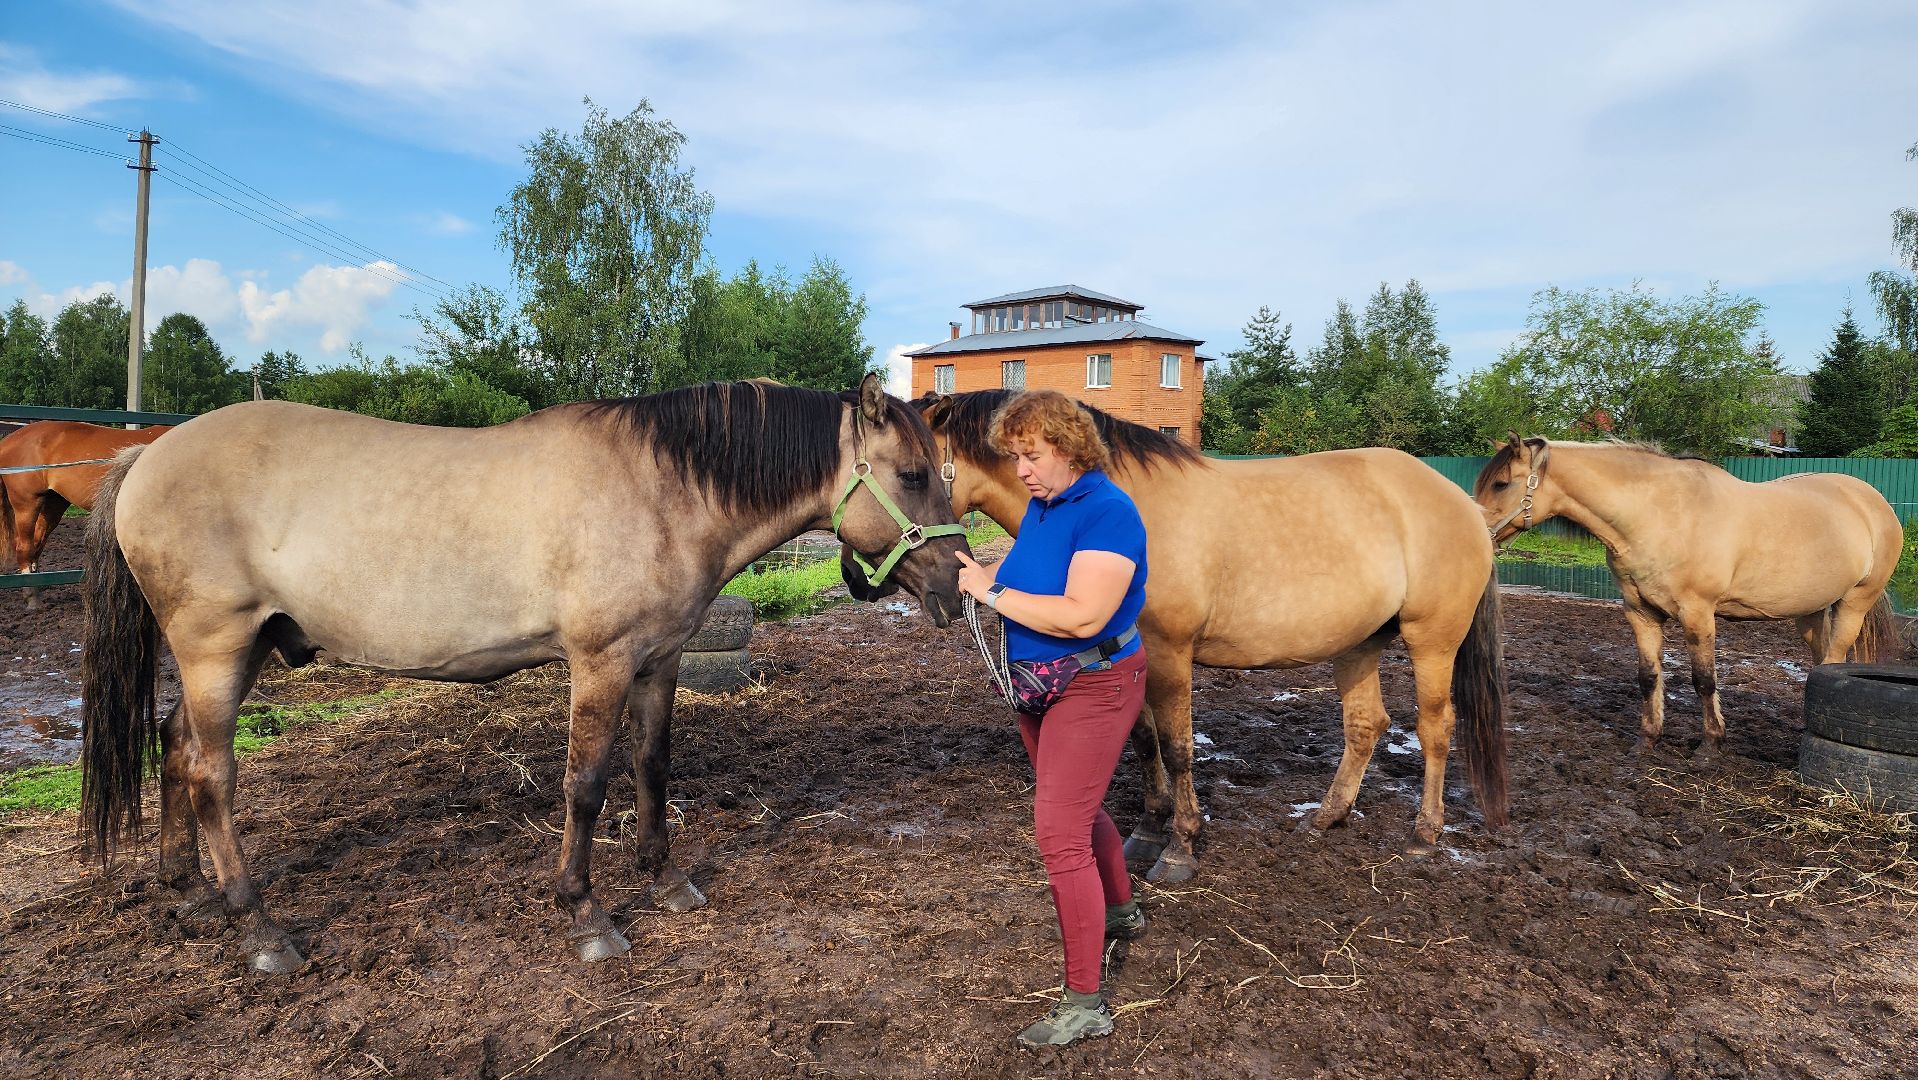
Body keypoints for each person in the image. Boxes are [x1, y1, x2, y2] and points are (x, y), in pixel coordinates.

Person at [953, 389, 1150, 1050]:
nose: (1022, 470)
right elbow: (1023, 573)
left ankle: (1087, 1003)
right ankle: (1120, 910)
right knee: (1077, 805)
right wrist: (989, 574)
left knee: (1059, 833)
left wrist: (994, 593)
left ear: (1069, 447)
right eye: (1015, 457)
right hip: (1041, 683)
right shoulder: (1043, 508)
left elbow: (1083, 616)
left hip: (1094, 681)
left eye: (1031, 455)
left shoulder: (1109, 513)